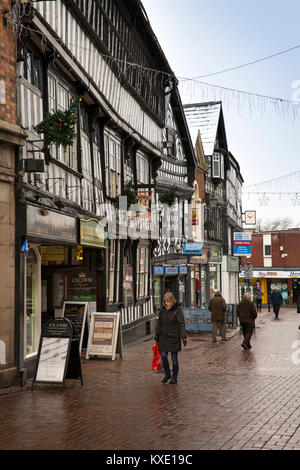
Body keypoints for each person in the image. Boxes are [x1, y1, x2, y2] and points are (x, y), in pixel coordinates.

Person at [155, 291, 187, 384]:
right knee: (164, 356)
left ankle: (174, 376)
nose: (166, 303)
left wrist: (183, 337)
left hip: (174, 337)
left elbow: (181, 324)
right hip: (164, 337)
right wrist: (157, 334)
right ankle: (167, 373)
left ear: (172, 301)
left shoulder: (178, 310)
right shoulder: (163, 310)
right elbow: (160, 323)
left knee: (174, 359)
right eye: (165, 302)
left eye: (168, 302)